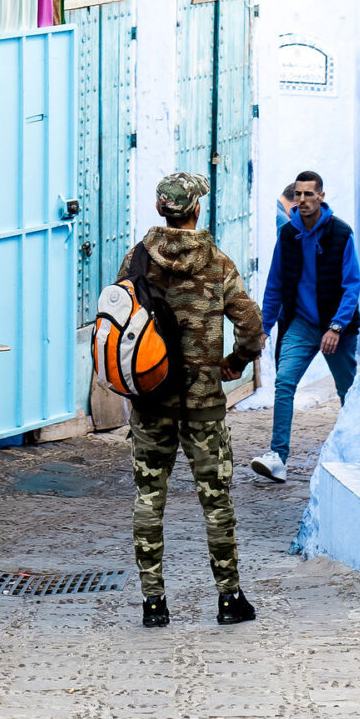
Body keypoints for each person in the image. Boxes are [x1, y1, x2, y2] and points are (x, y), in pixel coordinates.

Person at [123, 169, 265, 630]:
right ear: (197, 210)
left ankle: (153, 604)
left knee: (149, 498)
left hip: (150, 401)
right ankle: (229, 599)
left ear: (162, 209)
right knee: (216, 501)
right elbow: (251, 326)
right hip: (203, 404)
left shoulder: (136, 262)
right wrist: (236, 363)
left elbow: (118, 320)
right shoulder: (218, 263)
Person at [250, 169, 360, 483]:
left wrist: (337, 326)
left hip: (336, 328)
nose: (303, 200)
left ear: (321, 197)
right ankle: (276, 456)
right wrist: (265, 327)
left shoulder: (341, 233)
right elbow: (275, 284)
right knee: (284, 382)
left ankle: (354, 455)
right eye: (298, 195)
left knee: (348, 391)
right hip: (300, 323)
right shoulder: (288, 235)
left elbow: (353, 284)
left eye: (309, 194)